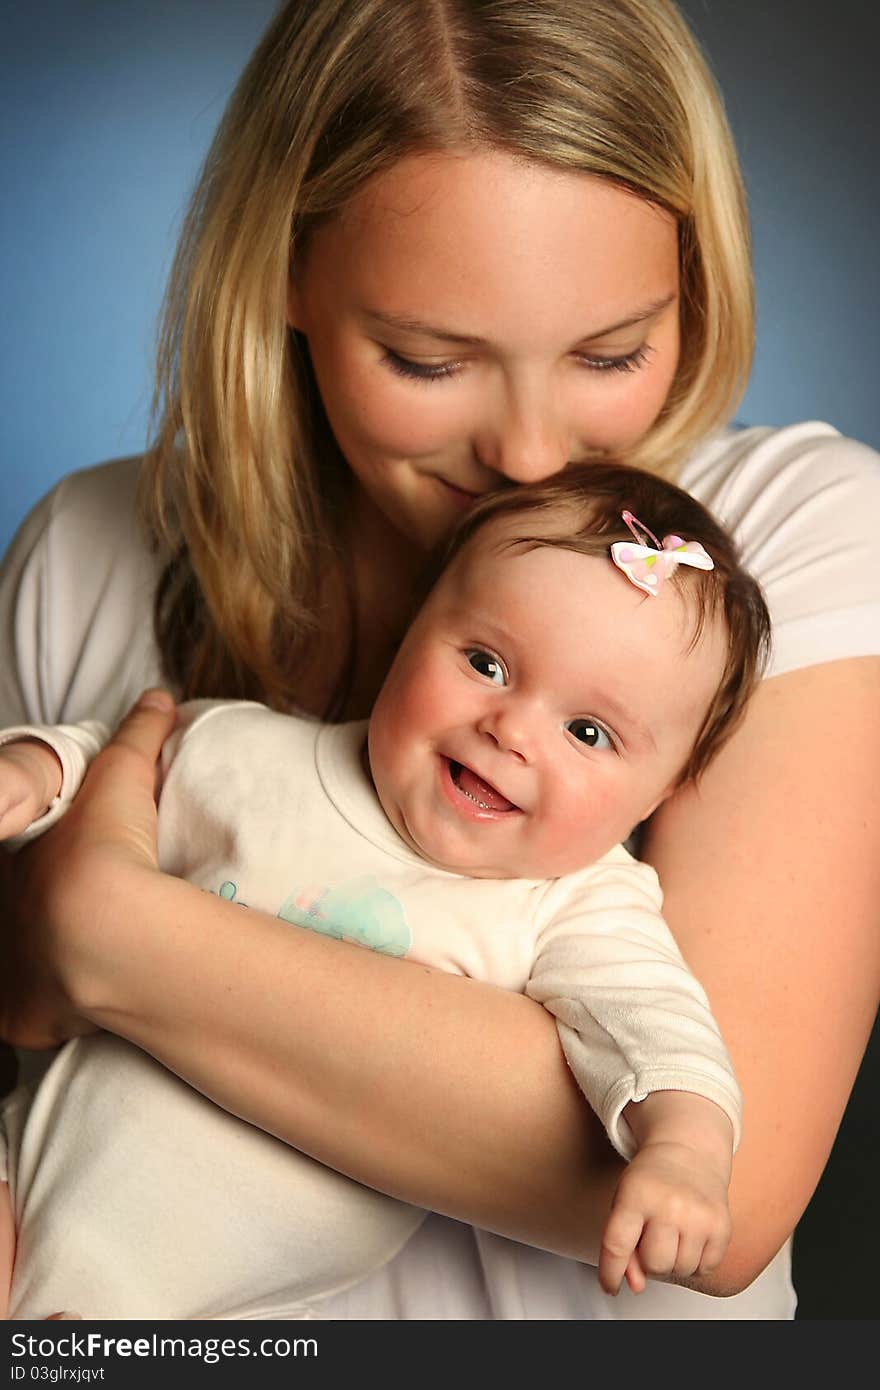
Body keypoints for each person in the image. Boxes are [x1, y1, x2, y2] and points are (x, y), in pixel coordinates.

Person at [0, 0, 878, 1321]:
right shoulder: (89, 549)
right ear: (286, 275)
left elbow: (717, 1192)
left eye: (611, 350)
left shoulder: (775, 550)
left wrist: (108, 931)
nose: (530, 454)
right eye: (428, 358)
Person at [0, 464, 768, 1320]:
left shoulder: (576, 905)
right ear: (412, 629)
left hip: (207, 1307)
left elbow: (659, 1030)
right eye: (485, 662)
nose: (510, 730)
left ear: (659, 793)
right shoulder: (252, 746)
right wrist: (36, 766)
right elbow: (116, 755)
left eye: (587, 732)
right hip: (22, 1178)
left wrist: (686, 1153)